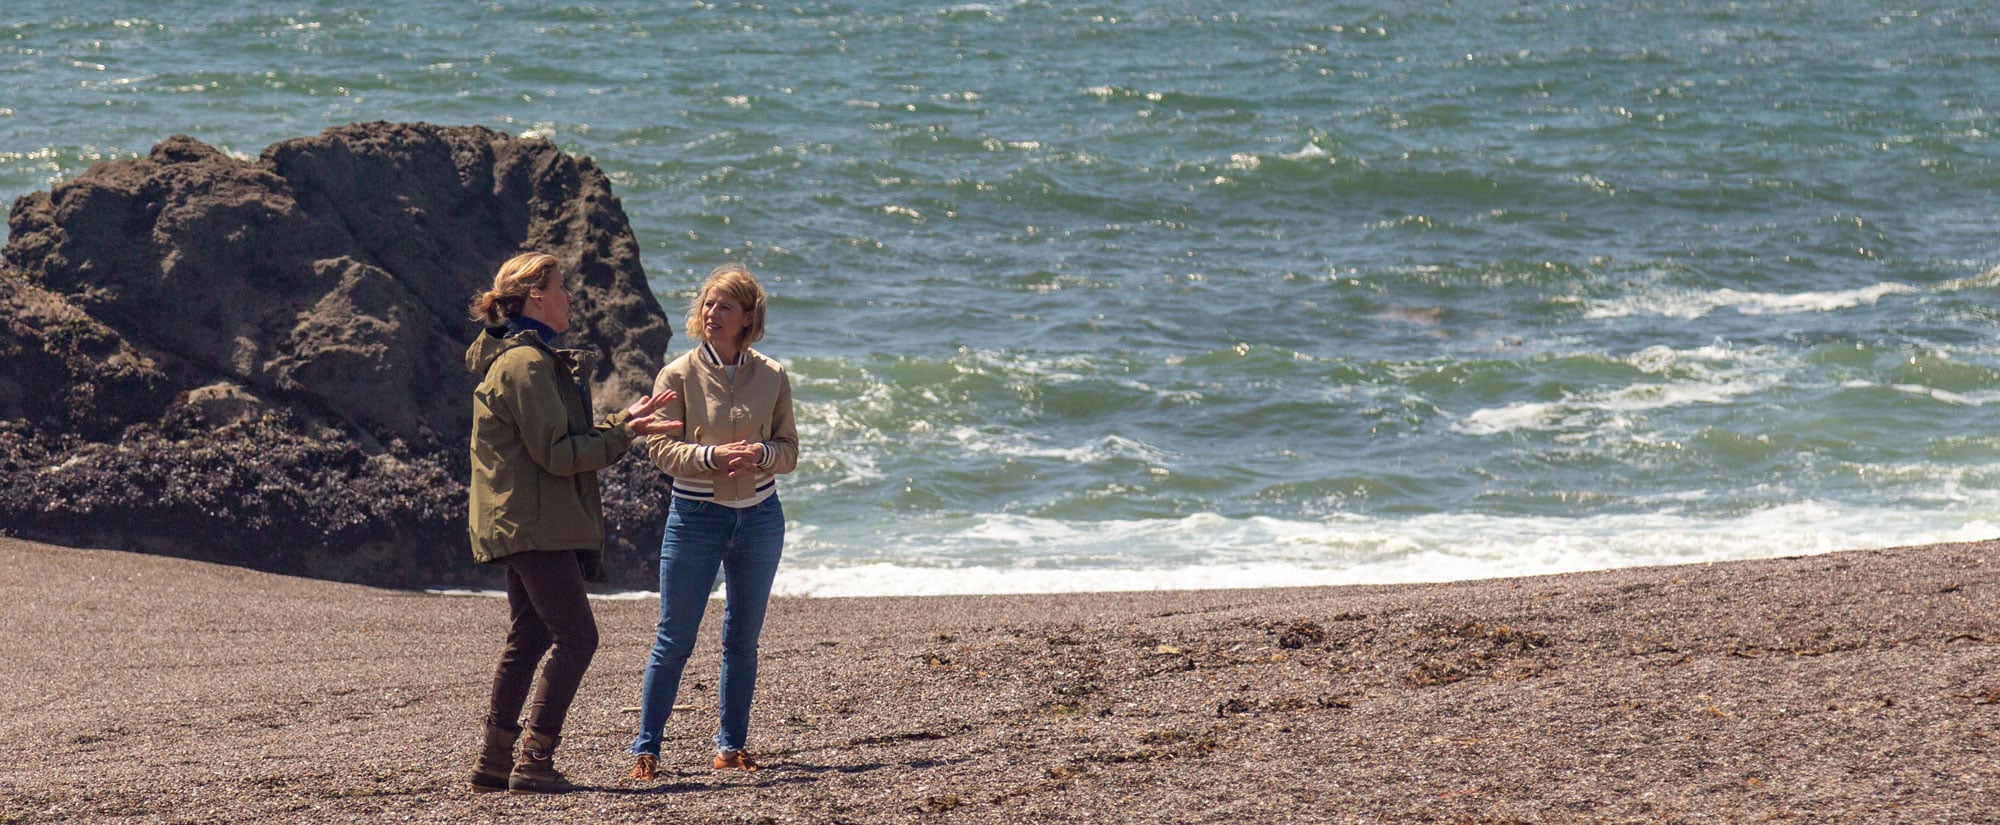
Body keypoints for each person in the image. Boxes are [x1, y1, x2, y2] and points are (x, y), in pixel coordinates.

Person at [464, 251, 682, 794]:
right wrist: (624, 434)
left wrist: (622, 421)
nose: (569, 297)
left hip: (520, 520)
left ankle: (494, 762)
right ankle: (534, 759)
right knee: (578, 638)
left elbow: (558, 441)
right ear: (536, 296)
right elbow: (559, 454)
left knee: (530, 634)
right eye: (561, 287)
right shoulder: (526, 364)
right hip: (533, 523)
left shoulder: (523, 359)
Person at [627, 263, 798, 780]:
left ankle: (731, 746)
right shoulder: (676, 374)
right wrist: (709, 458)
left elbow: (790, 450)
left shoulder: (771, 374)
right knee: (674, 638)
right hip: (695, 517)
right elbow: (659, 448)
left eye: (724, 306)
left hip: (761, 518)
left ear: (748, 317)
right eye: (707, 303)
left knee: (742, 639)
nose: (711, 312)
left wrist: (763, 454)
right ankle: (646, 749)